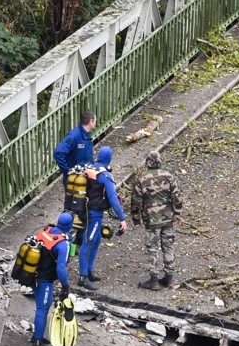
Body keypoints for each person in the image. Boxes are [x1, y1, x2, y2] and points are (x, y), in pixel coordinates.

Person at [132, 150, 184, 291]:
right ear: (160, 161)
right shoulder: (169, 176)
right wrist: (177, 215)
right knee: (168, 246)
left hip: (151, 220)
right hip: (168, 218)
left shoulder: (141, 178)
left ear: (147, 162)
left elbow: (136, 201)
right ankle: (169, 277)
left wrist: (136, 219)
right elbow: (177, 197)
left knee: (153, 248)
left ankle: (154, 280)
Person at [78, 146, 129, 289]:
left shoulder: (90, 169)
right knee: (88, 242)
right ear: (109, 159)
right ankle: (83, 277)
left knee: (96, 240)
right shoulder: (105, 175)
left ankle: (89, 271)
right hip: (94, 213)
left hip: (84, 210)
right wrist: (122, 218)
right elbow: (113, 198)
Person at [31, 212, 73, 346]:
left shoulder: (46, 230)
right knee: (43, 309)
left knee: (40, 306)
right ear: (70, 225)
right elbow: (61, 268)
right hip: (45, 279)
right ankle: (37, 341)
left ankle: (38, 334)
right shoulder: (63, 244)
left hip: (33, 274)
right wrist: (65, 286)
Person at [53, 111, 96, 204]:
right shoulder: (74, 136)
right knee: (74, 205)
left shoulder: (86, 136)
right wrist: (67, 170)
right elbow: (58, 152)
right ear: (91, 121)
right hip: (74, 180)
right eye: (95, 120)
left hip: (85, 177)